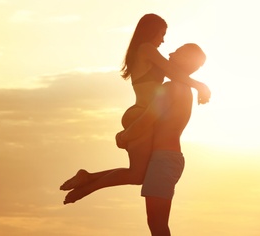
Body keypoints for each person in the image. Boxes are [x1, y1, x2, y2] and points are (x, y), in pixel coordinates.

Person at [60, 14, 209, 203]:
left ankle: (87, 178)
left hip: (140, 113)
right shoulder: (146, 49)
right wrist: (201, 86)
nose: (163, 40)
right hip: (140, 114)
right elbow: (173, 71)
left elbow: (176, 74)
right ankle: (87, 187)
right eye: (162, 34)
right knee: (136, 175)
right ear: (151, 31)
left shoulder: (146, 52)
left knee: (138, 174)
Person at [116, 43, 206, 236]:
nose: (171, 53)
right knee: (157, 225)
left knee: (158, 226)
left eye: (178, 52)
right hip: (168, 159)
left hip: (164, 160)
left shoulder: (171, 87)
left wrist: (123, 136)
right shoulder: (183, 89)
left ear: (188, 61)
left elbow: (147, 120)